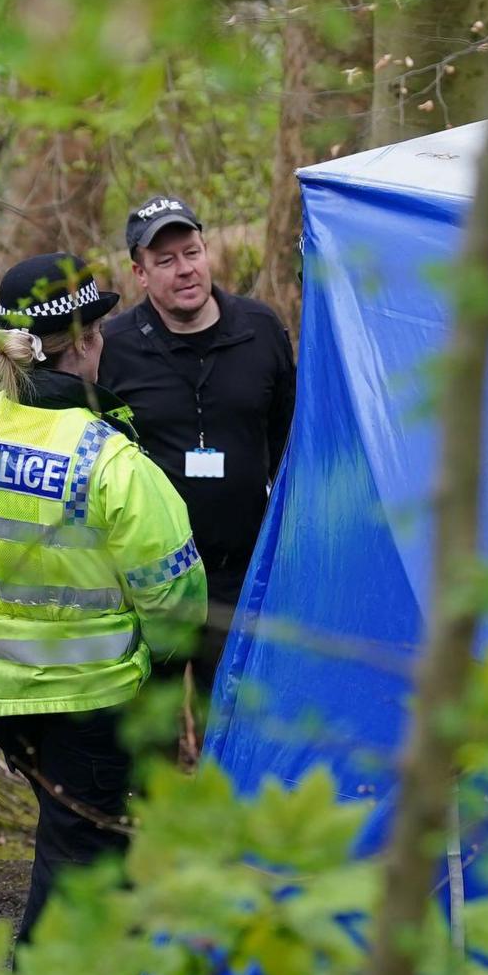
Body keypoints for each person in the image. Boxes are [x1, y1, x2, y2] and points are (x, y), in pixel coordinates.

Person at [0, 253, 209, 941]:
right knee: (74, 856)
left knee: (77, 835)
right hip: (88, 703)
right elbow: (178, 605)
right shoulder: (113, 465)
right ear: (89, 341)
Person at [97, 195, 295, 742]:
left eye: (192, 252)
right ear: (139, 273)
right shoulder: (112, 350)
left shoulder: (261, 330)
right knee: (149, 740)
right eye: (165, 261)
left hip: (240, 572)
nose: (185, 270)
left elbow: (287, 443)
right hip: (152, 582)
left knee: (233, 729)